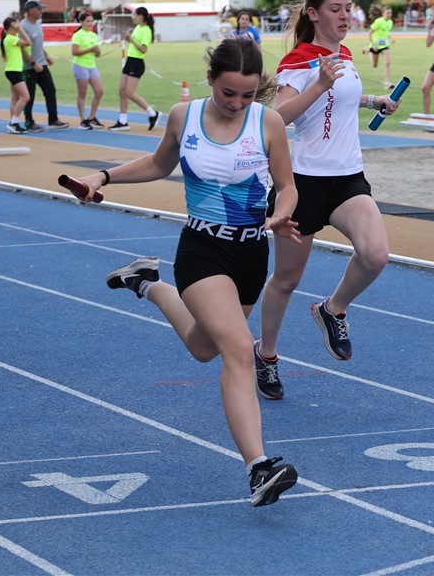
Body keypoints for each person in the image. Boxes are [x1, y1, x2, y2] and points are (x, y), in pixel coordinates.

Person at [79, 37, 302, 507]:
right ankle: (259, 467)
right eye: (228, 93)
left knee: (204, 347)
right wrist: (103, 176)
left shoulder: (268, 122)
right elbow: (159, 164)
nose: (237, 103)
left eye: (247, 95)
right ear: (210, 81)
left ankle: (146, 282)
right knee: (239, 350)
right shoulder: (185, 116)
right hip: (202, 252)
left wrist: (282, 212)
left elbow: (287, 186)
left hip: (251, 254)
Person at [255, 0, 400, 400]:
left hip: (348, 177)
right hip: (303, 183)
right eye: (336, 9)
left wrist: (374, 101)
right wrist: (319, 83)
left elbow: (342, 98)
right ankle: (266, 355)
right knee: (286, 280)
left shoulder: (346, 54)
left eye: (348, 7)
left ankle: (332, 308)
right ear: (314, 13)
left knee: (375, 255)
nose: (345, 16)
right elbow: (278, 117)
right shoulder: (299, 60)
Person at [21, 0, 68, 132]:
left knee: (50, 90)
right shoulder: (22, 27)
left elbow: (38, 45)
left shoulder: (37, 24)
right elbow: (21, 49)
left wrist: (46, 56)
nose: (41, 11)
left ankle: (53, 120)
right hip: (29, 67)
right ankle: (29, 122)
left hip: (42, 64)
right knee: (29, 95)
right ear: (31, 11)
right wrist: (32, 63)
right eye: (39, 9)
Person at [113, 6, 163, 132]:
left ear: (140, 16)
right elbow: (134, 45)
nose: (132, 17)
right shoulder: (137, 28)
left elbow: (143, 49)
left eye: (134, 14)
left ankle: (153, 113)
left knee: (129, 92)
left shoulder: (146, 30)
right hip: (130, 60)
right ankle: (123, 121)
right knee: (122, 91)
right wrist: (128, 39)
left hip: (137, 63)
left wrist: (131, 39)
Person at [70, 11, 105, 129]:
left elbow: (97, 55)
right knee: (82, 93)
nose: (90, 23)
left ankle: (92, 118)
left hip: (92, 66)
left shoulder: (93, 35)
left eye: (91, 21)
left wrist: (97, 51)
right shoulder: (77, 35)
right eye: (87, 21)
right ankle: (83, 120)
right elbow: (74, 52)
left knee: (99, 91)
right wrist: (90, 49)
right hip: (80, 66)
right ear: (81, 22)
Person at [0, 16, 32, 134]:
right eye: (16, 23)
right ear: (11, 26)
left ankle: (13, 123)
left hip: (14, 71)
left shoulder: (12, 37)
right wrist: (21, 30)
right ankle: (14, 123)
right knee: (26, 97)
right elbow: (28, 42)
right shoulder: (10, 38)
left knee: (15, 98)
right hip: (13, 72)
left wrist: (18, 31)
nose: (19, 24)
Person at [366, 6, 394, 89]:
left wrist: (391, 38)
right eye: (387, 13)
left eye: (390, 13)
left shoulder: (390, 22)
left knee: (387, 63)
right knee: (374, 65)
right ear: (383, 13)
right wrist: (373, 44)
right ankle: (368, 50)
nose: (389, 15)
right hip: (375, 46)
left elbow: (386, 32)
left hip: (385, 46)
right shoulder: (378, 21)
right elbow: (370, 33)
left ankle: (387, 83)